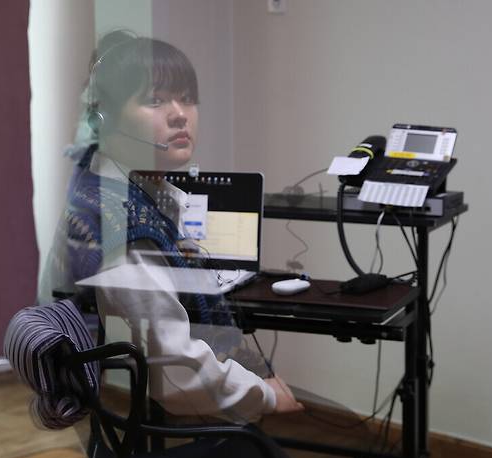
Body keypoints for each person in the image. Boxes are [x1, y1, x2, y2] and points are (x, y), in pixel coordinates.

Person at [41, 30, 303, 424]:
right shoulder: (124, 228)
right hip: (153, 435)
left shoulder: (109, 181)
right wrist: (264, 394)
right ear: (104, 118)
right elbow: (178, 375)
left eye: (187, 97)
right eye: (155, 100)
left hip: (141, 423)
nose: (180, 113)